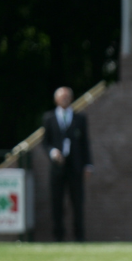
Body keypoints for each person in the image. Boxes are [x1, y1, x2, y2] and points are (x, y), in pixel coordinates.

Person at [42, 87, 92, 242]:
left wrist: (88, 165)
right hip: (57, 169)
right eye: (61, 97)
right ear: (56, 99)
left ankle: (79, 237)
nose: (64, 99)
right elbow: (45, 143)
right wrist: (53, 153)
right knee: (56, 202)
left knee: (77, 202)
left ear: (71, 98)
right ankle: (58, 237)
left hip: (75, 167)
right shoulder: (49, 118)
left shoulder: (80, 118)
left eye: (67, 97)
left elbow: (85, 143)